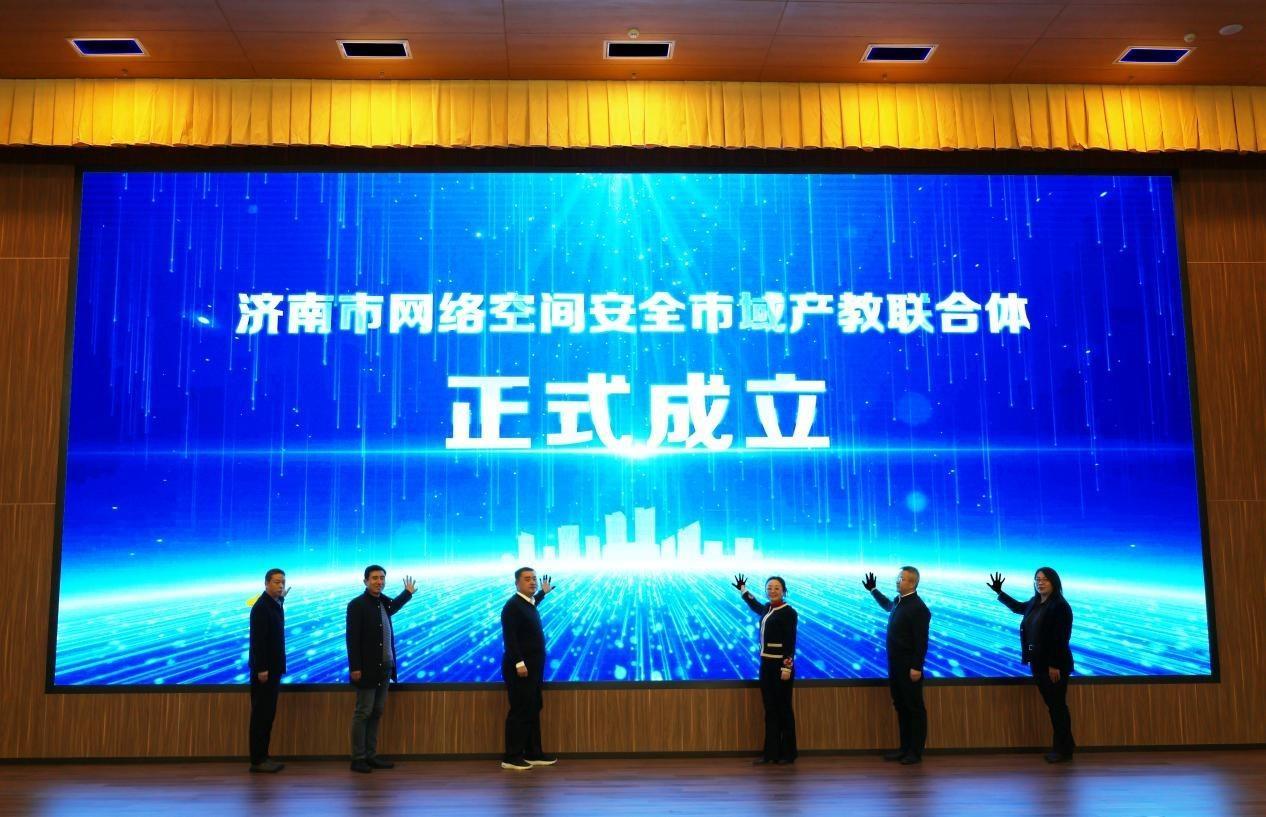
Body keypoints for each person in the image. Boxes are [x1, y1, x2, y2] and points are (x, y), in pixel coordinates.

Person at [987, 567, 1076, 763]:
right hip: (1038, 663)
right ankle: (1065, 747)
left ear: (1054, 582)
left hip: (1053, 666)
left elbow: (1061, 638)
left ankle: (1063, 750)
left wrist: (1054, 665)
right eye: (1037, 579)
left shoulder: (1060, 606)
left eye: (1045, 579)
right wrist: (1000, 592)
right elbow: (1018, 608)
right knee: (1053, 706)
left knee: (1057, 707)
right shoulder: (1036, 602)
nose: (1040, 583)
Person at [346, 565, 416, 773]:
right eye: (375, 578)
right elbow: (352, 638)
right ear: (365, 581)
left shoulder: (382, 602)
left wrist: (407, 593)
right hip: (366, 669)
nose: (379, 581)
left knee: (376, 712)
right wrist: (355, 667)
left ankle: (371, 755)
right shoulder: (357, 605)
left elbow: (393, 607)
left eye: (382, 578)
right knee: (363, 712)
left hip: (385, 667)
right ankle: (358, 758)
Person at [863, 566, 931, 765]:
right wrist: (873, 590)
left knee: (914, 709)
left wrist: (917, 666)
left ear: (912, 583)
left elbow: (921, 641)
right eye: (898, 577)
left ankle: (915, 752)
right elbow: (887, 605)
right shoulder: (900, 601)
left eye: (901, 578)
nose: (897, 580)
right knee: (901, 706)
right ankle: (904, 748)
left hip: (909, 668)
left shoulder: (918, 608)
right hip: (896, 666)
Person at [732, 573, 798, 765]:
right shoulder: (768, 608)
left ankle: (788, 754)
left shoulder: (789, 612)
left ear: (784, 591)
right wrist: (744, 591)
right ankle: (771, 754)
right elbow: (755, 606)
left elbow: (790, 641)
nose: (772, 591)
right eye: (769, 588)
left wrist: (787, 667)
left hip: (780, 667)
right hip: (766, 665)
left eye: (776, 588)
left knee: (783, 708)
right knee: (770, 709)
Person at [500, 567, 556, 771]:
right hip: (521, 669)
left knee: (533, 707)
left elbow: (532, 604)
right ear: (517, 583)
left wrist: (542, 593)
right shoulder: (512, 606)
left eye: (534, 578)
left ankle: (534, 753)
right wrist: (519, 663)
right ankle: (512, 757)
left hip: (533, 668)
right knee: (520, 710)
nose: (532, 582)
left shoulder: (526, 603)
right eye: (527, 579)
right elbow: (510, 638)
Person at [248, 568, 288, 773]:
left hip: (273, 669)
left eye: (282, 582)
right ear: (266, 583)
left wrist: (281, 600)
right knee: (261, 716)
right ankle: (258, 760)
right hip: (265, 672)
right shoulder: (261, 607)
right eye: (276, 582)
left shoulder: (274, 604)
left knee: (267, 715)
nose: (280, 586)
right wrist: (262, 668)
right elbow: (258, 641)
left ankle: (263, 756)